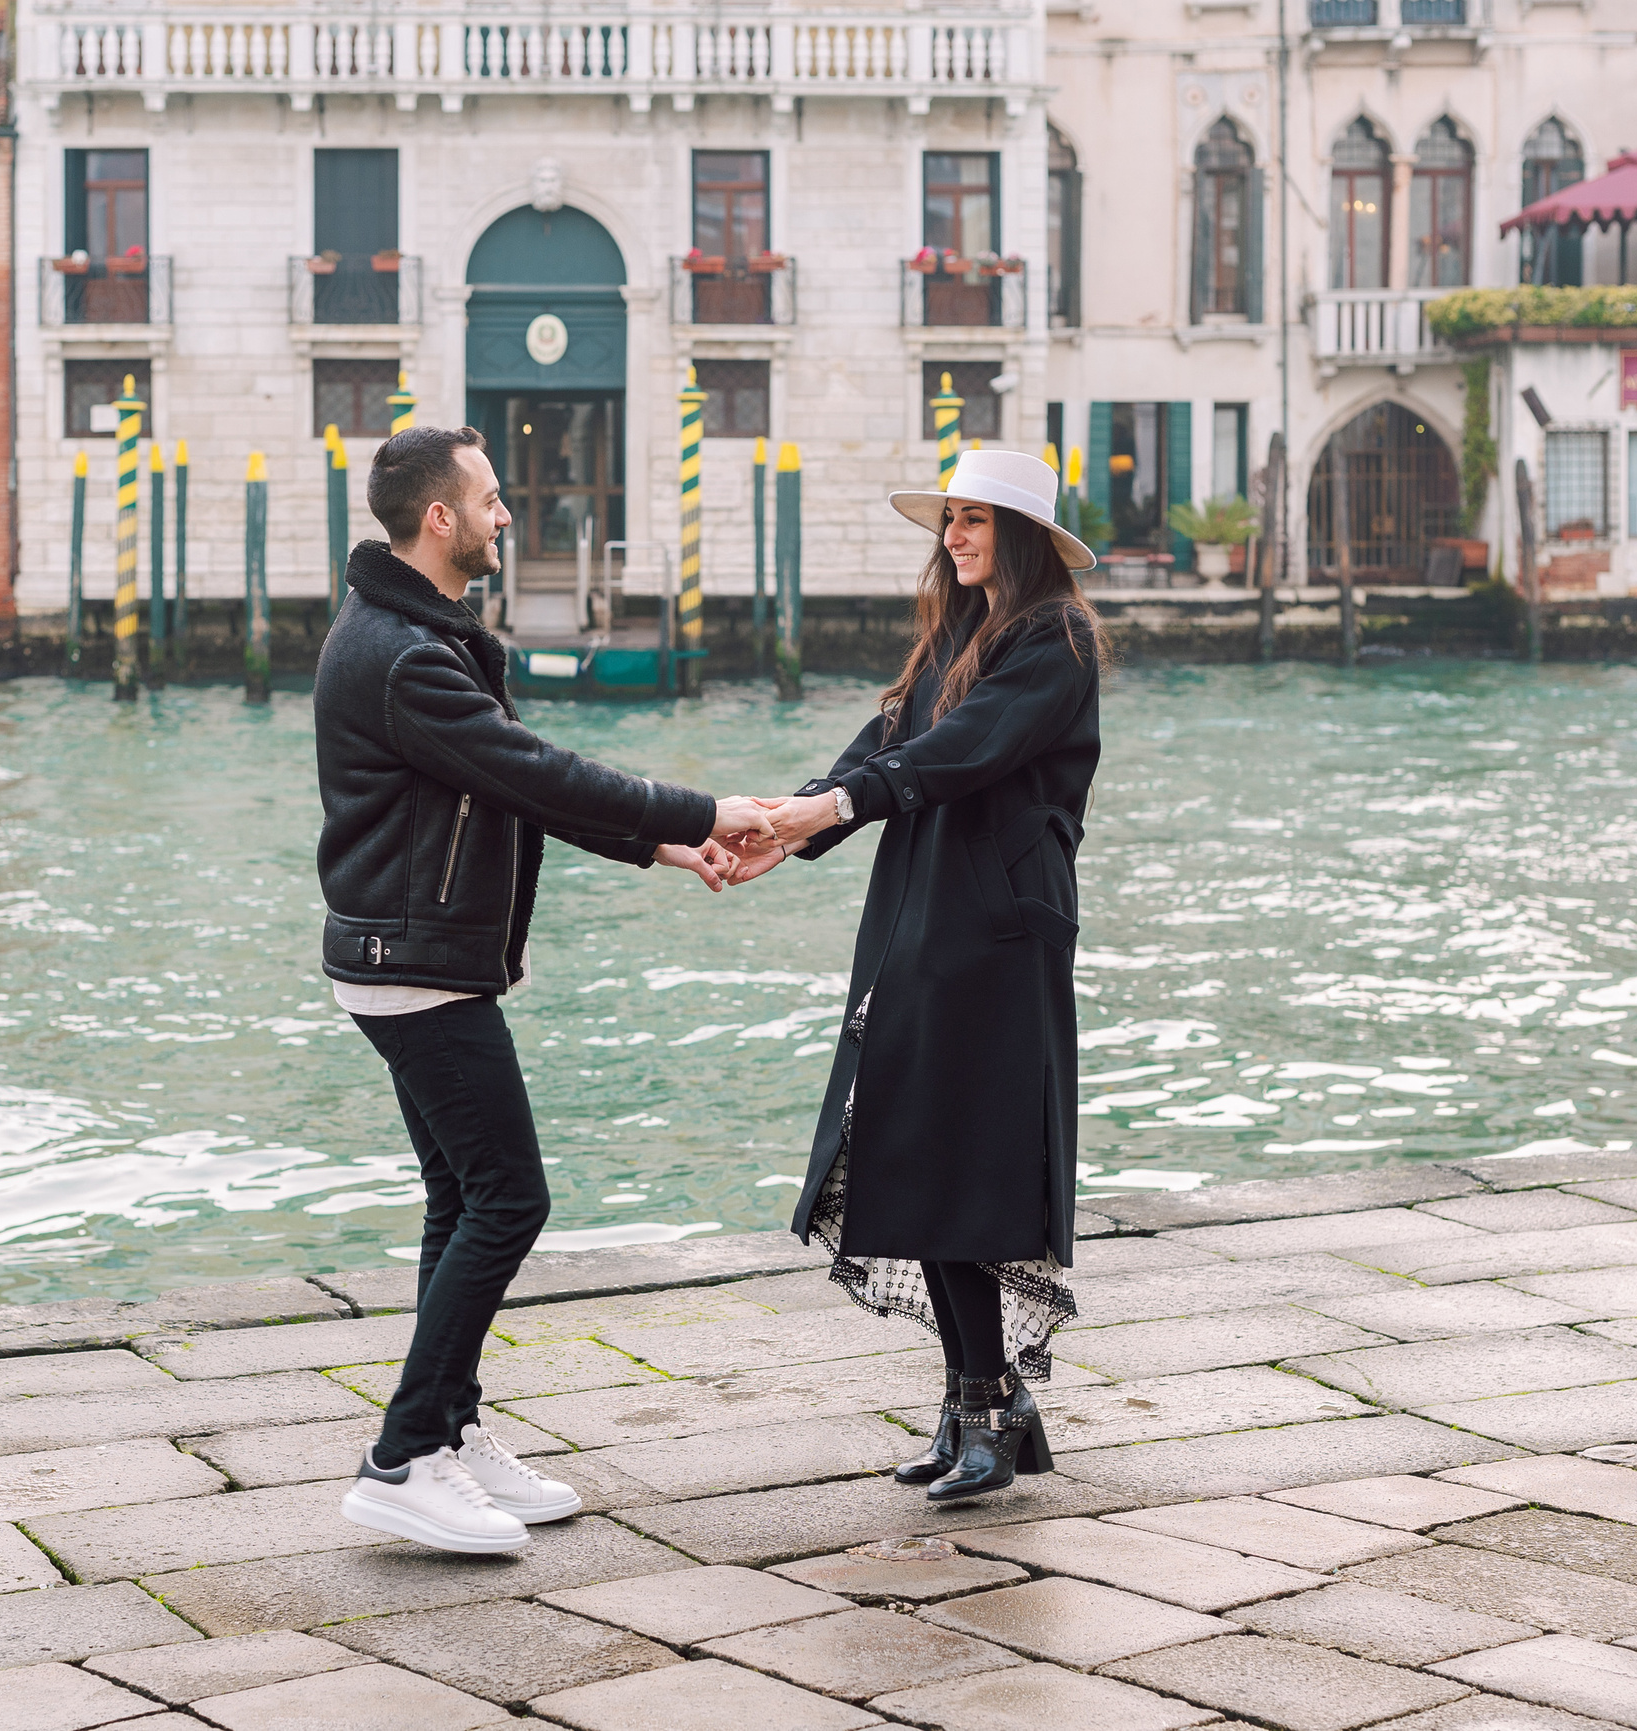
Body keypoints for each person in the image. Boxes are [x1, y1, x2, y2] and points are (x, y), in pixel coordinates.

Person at [314, 424, 776, 1555]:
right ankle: (401, 1457)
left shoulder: (413, 636)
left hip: (400, 955)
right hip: (415, 964)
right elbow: (533, 769)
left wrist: (654, 849)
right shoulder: (406, 655)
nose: (505, 515)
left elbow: (504, 782)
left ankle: (450, 1433)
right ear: (439, 518)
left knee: (461, 1202)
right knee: (510, 1201)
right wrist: (700, 810)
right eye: (487, 498)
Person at [735, 446, 1107, 1501]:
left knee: (973, 1171)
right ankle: (974, 1402)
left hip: (993, 935)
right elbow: (888, 742)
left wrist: (830, 808)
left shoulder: (1055, 641)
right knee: (921, 1152)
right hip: (920, 915)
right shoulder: (958, 634)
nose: (955, 534)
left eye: (977, 519)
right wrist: (784, 824)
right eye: (949, 517)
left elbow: (965, 753)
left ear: (1023, 535)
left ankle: (986, 1410)